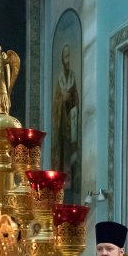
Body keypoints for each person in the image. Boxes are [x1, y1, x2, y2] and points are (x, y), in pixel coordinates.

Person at [51, 43, 80, 204]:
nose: (67, 60)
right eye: (65, 56)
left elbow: (76, 98)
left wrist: (72, 101)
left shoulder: (73, 77)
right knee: (62, 154)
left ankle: (70, 184)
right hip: (61, 123)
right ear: (62, 59)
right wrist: (62, 99)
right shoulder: (60, 79)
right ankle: (61, 185)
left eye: (69, 56)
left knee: (70, 154)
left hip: (71, 122)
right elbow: (56, 101)